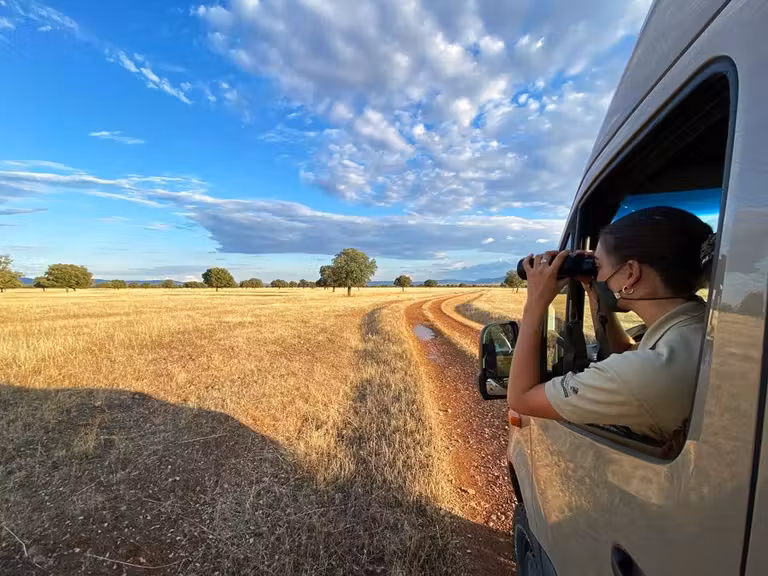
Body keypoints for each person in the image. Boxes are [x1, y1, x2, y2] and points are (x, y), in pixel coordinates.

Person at [506, 206, 715, 442]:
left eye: (599, 266)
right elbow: (624, 352)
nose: (598, 274)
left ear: (630, 273)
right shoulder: (698, 327)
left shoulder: (646, 372)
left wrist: (535, 303)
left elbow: (521, 398)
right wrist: (595, 290)